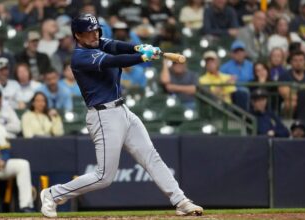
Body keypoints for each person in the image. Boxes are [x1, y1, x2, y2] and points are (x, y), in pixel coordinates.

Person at [39, 14, 203, 218]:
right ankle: (53, 194)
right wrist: (142, 57)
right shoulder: (80, 56)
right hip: (103, 116)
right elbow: (114, 60)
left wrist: (138, 47)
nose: (94, 34)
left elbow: (117, 46)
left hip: (123, 111)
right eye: (88, 32)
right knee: (104, 177)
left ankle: (180, 201)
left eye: (96, 30)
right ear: (77, 35)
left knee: (151, 156)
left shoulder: (98, 42)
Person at [0, 122, 34, 212]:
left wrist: (3, 160)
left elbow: (5, 150)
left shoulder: (0, 128)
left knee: (23, 165)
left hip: (0, 167)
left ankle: (26, 206)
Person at [278, 50, 305, 115]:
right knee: (290, 103)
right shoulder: (284, 77)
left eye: (301, 60)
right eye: (295, 60)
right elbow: (286, 94)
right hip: (291, 104)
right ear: (291, 62)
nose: (298, 63)